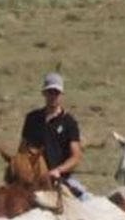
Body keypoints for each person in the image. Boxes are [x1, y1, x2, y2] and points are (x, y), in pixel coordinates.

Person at [19, 72, 86, 200]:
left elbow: (76, 156)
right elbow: (22, 150)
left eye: (56, 92)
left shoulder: (69, 122)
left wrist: (59, 170)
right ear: (44, 93)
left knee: (86, 201)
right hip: (34, 179)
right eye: (50, 92)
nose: (53, 96)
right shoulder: (32, 119)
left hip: (61, 179)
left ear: (61, 94)